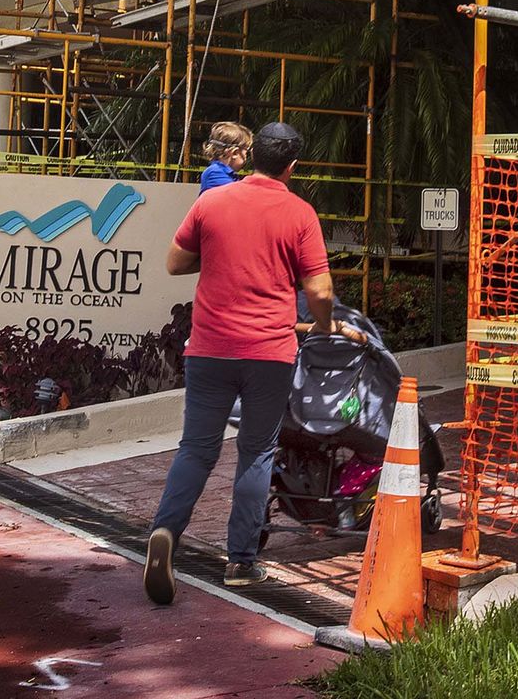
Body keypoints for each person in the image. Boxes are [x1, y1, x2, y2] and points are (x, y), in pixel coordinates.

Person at [144, 122, 359, 602]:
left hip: (209, 350)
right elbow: (319, 290)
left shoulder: (212, 202)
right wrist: (323, 324)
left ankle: (165, 533)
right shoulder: (299, 213)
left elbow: (175, 263)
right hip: (268, 353)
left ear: (252, 154)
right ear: (292, 166)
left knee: (196, 449)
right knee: (257, 452)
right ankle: (241, 563)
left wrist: (223, 255)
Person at [198, 121, 251, 194]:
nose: (246, 157)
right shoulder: (214, 172)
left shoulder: (226, 174)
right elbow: (238, 195)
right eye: (246, 152)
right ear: (235, 153)